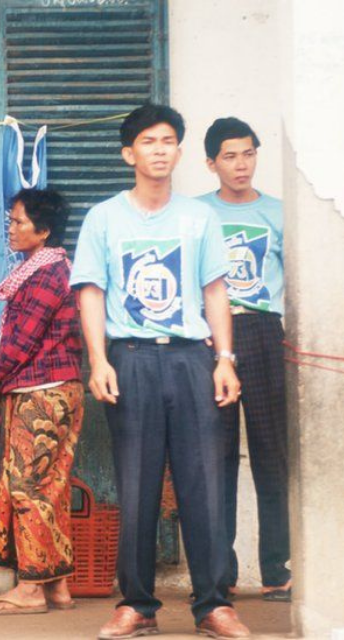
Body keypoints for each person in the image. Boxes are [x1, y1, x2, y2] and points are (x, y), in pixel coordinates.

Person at [70, 104, 251, 639]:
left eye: (168, 140)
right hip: (129, 359)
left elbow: (215, 290)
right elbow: (91, 292)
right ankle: (137, 605)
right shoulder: (105, 217)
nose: (159, 149)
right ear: (130, 153)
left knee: (204, 486)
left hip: (192, 358)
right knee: (138, 484)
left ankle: (214, 604)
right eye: (148, 141)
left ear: (178, 151)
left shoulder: (200, 218)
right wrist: (99, 359)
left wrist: (225, 359)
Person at [0, 189, 83, 615]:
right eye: (12, 220)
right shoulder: (44, 270)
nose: (12, 228)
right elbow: (17, 340)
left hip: (43, 392)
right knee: (49, 486)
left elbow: (20, 342)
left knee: (26, 486)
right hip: (54, 389)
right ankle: (56, 587)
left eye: (19, 222)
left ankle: (30, 590)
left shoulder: (45, 275)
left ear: (44, 230)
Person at [200, 117, 291, 601]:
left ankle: (278, 568)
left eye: (249, 153)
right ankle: (222, 571)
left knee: (271, 452)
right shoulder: (194, 213)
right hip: (210, 334)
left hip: (261, 330)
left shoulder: (280, 212)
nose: (241, 164)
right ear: (211, 162)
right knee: (215, 458)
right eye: (230, 156)